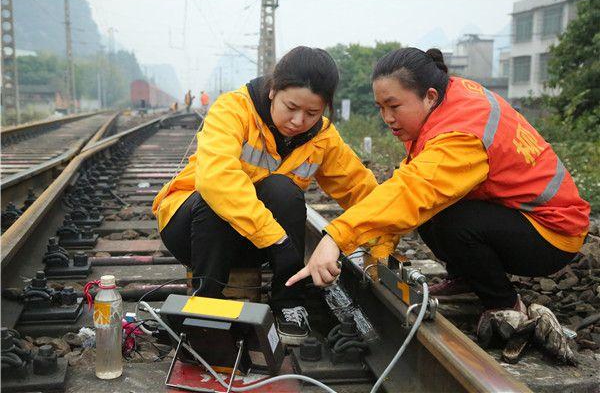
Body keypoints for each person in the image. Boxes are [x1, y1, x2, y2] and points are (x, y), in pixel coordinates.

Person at [287, 48, 589, 350]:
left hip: (552, 233)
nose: (387, 118)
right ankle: (467, 281)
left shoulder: (461, 133)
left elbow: (412, 192)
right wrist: (378, 245)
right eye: (380, 107)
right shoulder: (448, 101)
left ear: (429, 96)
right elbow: (406, 184)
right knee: (436, 212)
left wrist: (336, 238)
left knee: (452, 221)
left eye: (394, 106)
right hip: (514, 213)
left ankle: (506, 304)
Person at [152, 46, 395, 345]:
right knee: (215, 198)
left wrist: (384, 246)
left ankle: (288, 303)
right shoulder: (233, 109)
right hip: (190, 231)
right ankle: (205, 306)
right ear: (272, 91)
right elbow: (216, 180)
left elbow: (363, 191)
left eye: (311, 113)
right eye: (290, 107)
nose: (298, 121)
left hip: (252, 242)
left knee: (284, 190)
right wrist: (276, 240)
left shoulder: (322, 137)